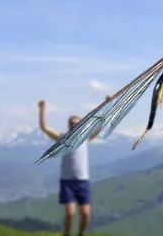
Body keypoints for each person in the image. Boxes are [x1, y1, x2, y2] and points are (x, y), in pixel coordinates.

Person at [37, 96, 111, 236]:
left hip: (83, 181)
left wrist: (106, 105)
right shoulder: (62, 138)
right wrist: (42, 109)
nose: (74, 125)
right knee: (70, 213)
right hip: (67, 181)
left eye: (77, 123)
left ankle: (81, 234)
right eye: (72, 123)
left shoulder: (85, 138)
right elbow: (44, 128)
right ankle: (66, 234)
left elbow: (100, 126)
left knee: (85, 214)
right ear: (68, 125)